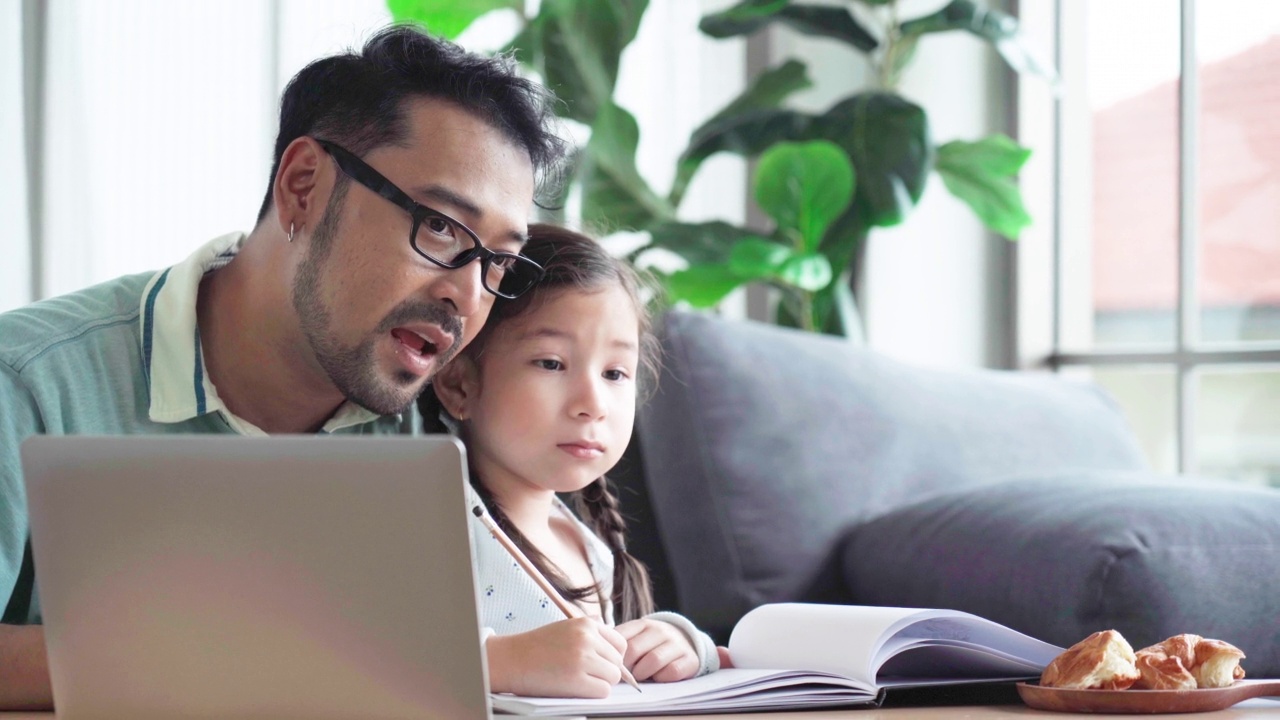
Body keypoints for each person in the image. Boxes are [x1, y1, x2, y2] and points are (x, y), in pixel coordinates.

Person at [0, 25, 566, 709]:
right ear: (304, 187)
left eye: (498, 261)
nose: (469, 295)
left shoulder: (425, 420)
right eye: (442, 226)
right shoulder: (25, 382)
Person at [421, 224, 721, 699]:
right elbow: (362, 658)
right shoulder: (434, 527)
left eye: (615, 373)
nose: (592, 402)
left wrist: (680, 643)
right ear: (460, 383)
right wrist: (501, 662)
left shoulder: (587, 544)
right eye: (552, 363)